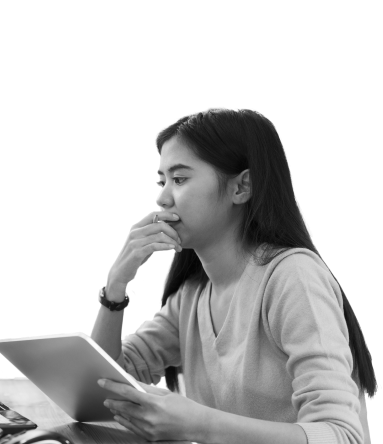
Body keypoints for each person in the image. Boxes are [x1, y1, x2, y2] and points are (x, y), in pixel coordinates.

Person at [90, 107, 377, 443]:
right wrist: (115, 289)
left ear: (242, 187)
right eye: (161, 180)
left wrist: (201, 425)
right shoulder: (193, 295)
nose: (161, 197)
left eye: (180, 179)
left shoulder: (292, 278)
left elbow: (341, 436)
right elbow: (105, 386)